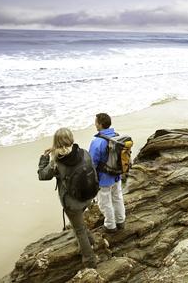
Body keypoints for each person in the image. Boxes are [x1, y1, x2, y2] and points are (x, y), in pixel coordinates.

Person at [38, 127, 98, 268]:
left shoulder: (56, 163)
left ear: (56, 142)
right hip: (88, 195)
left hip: (72, 203)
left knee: (79, 230)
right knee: (80, 224)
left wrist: (44, 158)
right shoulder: (84, 153)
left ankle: (90, 261)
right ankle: (92, 241)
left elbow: (42, 175)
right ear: (71, 139)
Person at [89, 113, 126, 233]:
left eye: (96, 122)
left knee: (105, 202)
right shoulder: (117, 137)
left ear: (100, 124)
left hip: (103, 178)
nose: (95, 124)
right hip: (117, 175)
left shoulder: (97, 141)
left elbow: (92, 162)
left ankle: (110, 226)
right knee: (118, 198)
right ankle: (121, 221)